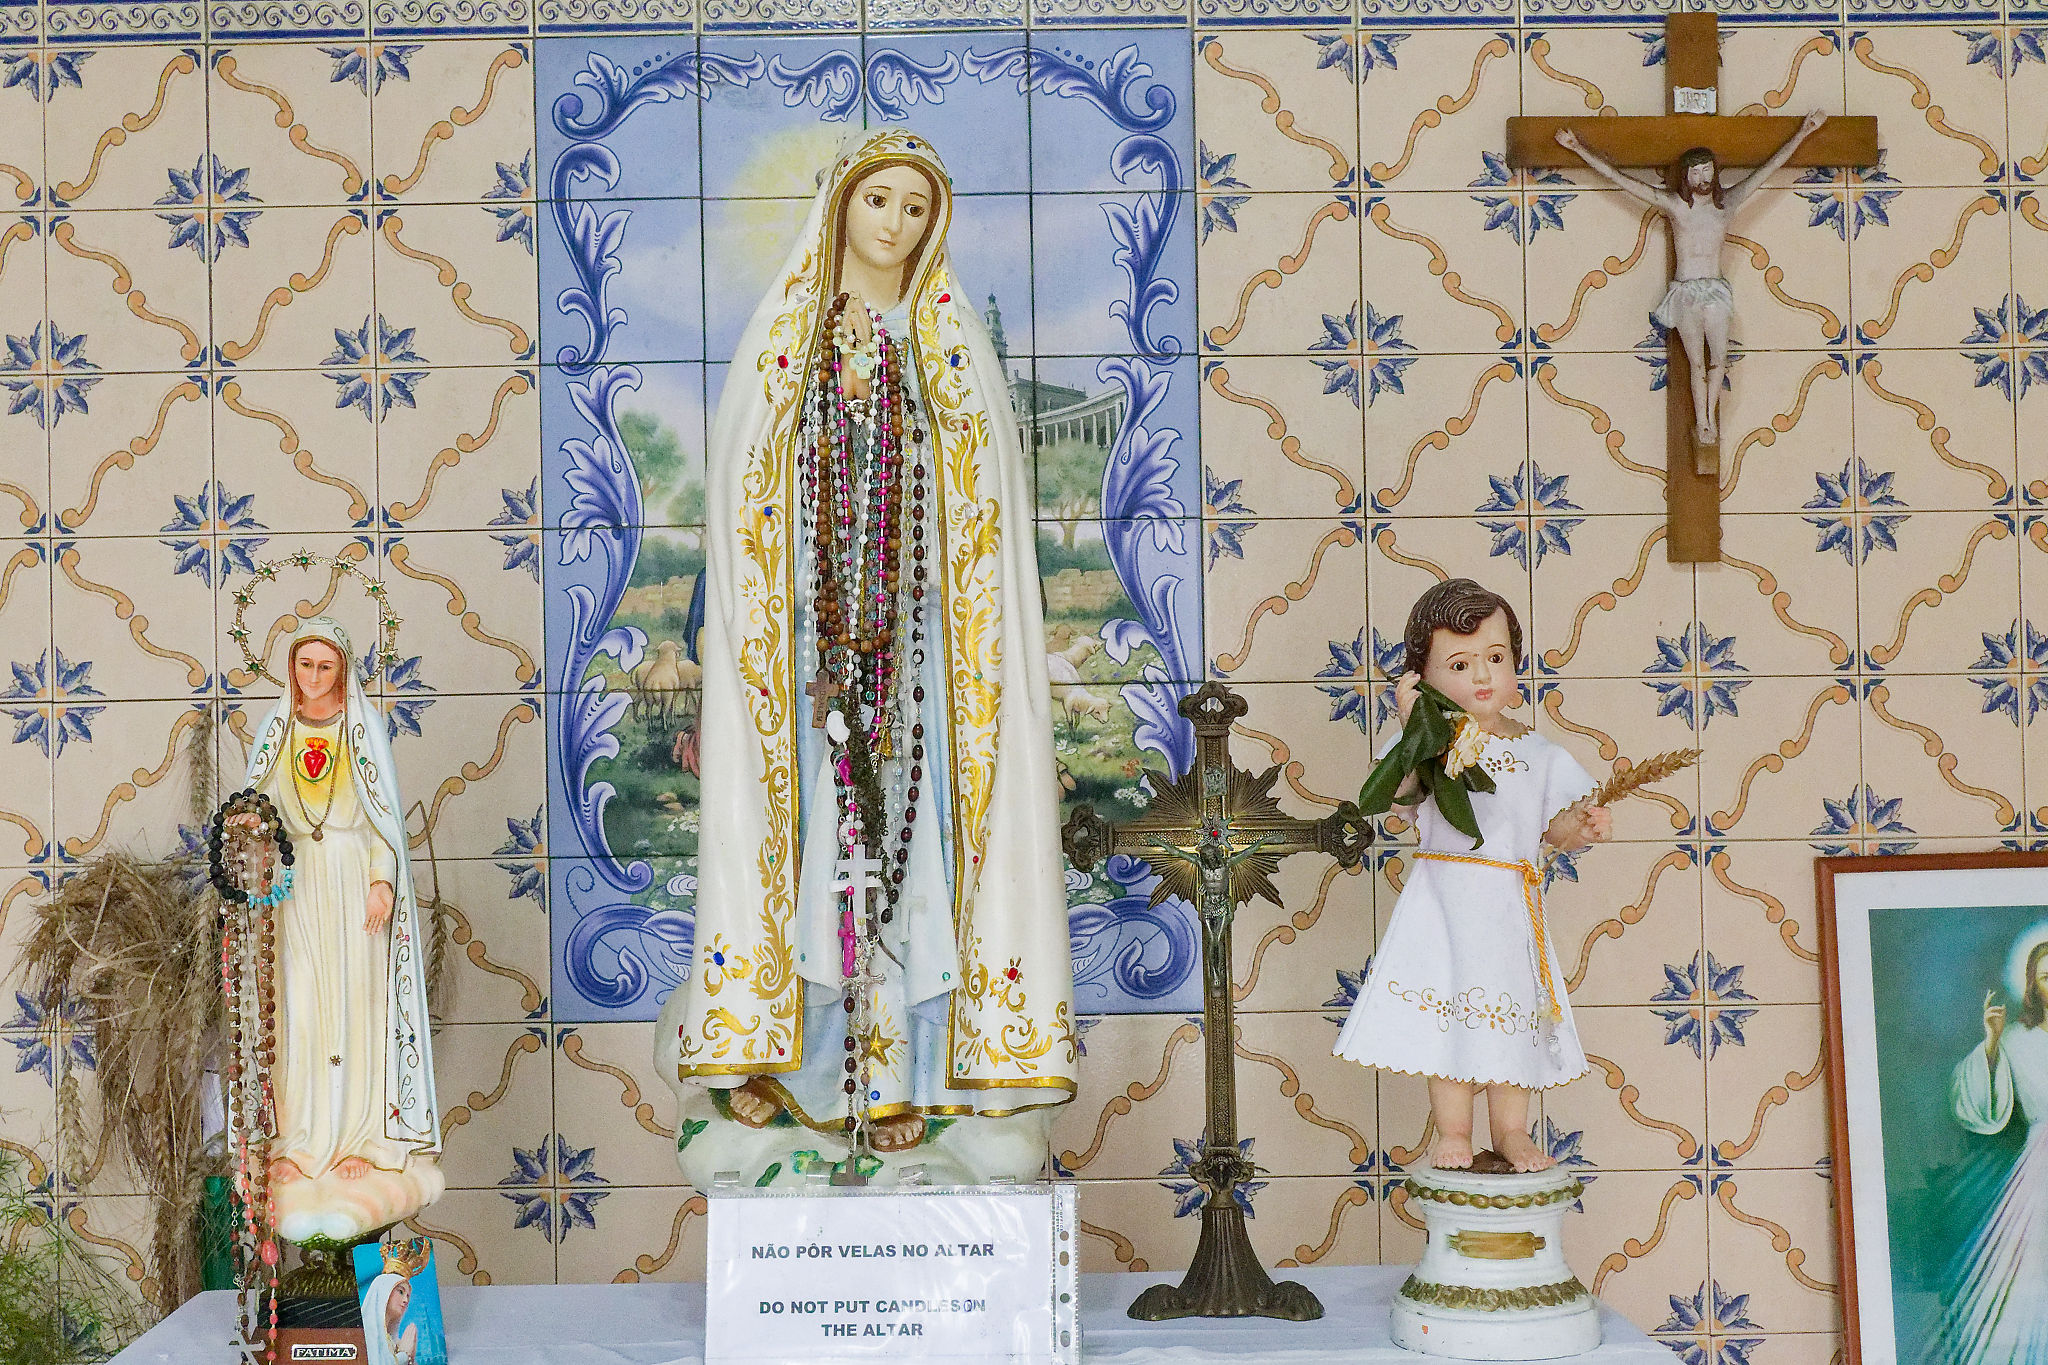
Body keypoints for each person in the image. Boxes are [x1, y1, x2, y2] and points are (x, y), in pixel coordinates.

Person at [658, 129, 1074, 1162]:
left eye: (914, 207)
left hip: (919, 653)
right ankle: (778, 1058)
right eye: (877, 199)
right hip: (806, 654)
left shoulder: (951, 343)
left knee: (905, 856)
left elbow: (981, 501)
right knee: (803, 848)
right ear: (841, 204)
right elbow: (745, 494)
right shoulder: (782, 340)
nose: (893, 223)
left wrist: (903, 444)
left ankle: (902, 1074)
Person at [1335, 580, 1611, 1172]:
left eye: (1496, 658)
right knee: (1450, 1017)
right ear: (1423, 679)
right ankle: (1453, 1130)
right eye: (1460, 665)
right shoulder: (1428, 746)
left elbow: (1554, 830)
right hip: (1444, 900)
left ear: (1516, 665)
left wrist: (1581, 826)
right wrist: (1414, 729)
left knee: (1512, 1015)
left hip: (1508, 903)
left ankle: (1511, 1131)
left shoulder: (1541, 754)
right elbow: (1398, 795)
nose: (1483, 676)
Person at [238, 617, 440, 1226]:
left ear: (343, 670)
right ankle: (299, 1143)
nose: (314, 675)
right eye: (305, 664)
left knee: (357, 1008)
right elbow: (256, 806)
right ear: (291, 668)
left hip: (354, 880)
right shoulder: (276, 730)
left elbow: (383, 817)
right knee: (298, 1009)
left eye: (326, 665)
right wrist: (252, 838)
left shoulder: (362, 729)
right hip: (295, 886)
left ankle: (359, 1141)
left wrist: (382, 880)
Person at [1555, 111, 1828, 446]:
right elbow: (1623, 180)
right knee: (1696, 362)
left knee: (1719, 359)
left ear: (1715, 171)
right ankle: (1702, 422)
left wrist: (1803, 132)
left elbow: (1768, 169)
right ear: (1686, 176)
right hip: (1685, 291)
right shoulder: (1675, 205)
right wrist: (1577, 148)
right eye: (1696, 172)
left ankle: (1710, 416)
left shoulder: (1728, 203)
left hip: (1715, 290)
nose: (1703, 177)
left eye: (1707, 170)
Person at [1940, 937, 2048, 1363]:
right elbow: (1974, 1102)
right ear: (2033, 986)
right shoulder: (2017, 1041)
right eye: (2046, 977)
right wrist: (1991, 1041)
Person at [361, 1272, 419, 1365]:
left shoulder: (393, 1342)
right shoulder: (367, 1333)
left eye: (408, 1296)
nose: (406, 1300)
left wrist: (410, 1359)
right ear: (384, 1291)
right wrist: (404, 1355)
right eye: (401, 1292)